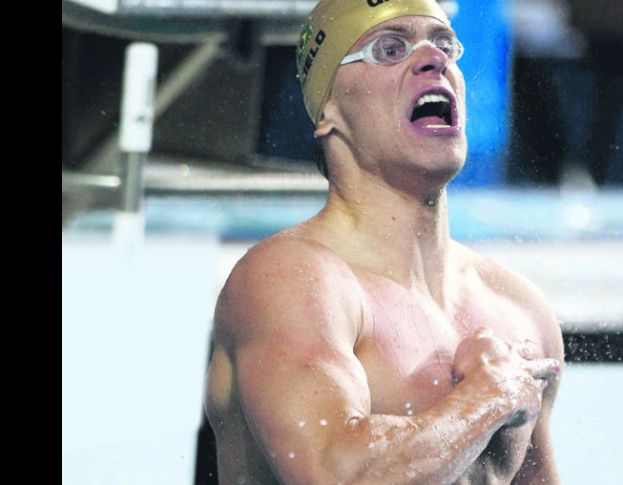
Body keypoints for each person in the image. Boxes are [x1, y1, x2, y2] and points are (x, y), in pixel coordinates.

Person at [204, 1, 564, 483]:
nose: (432, 59)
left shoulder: (518, 307)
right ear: (329, 109)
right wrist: (485, 400)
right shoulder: (291, 279)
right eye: (389, 49)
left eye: (443, 45)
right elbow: (335, 474)